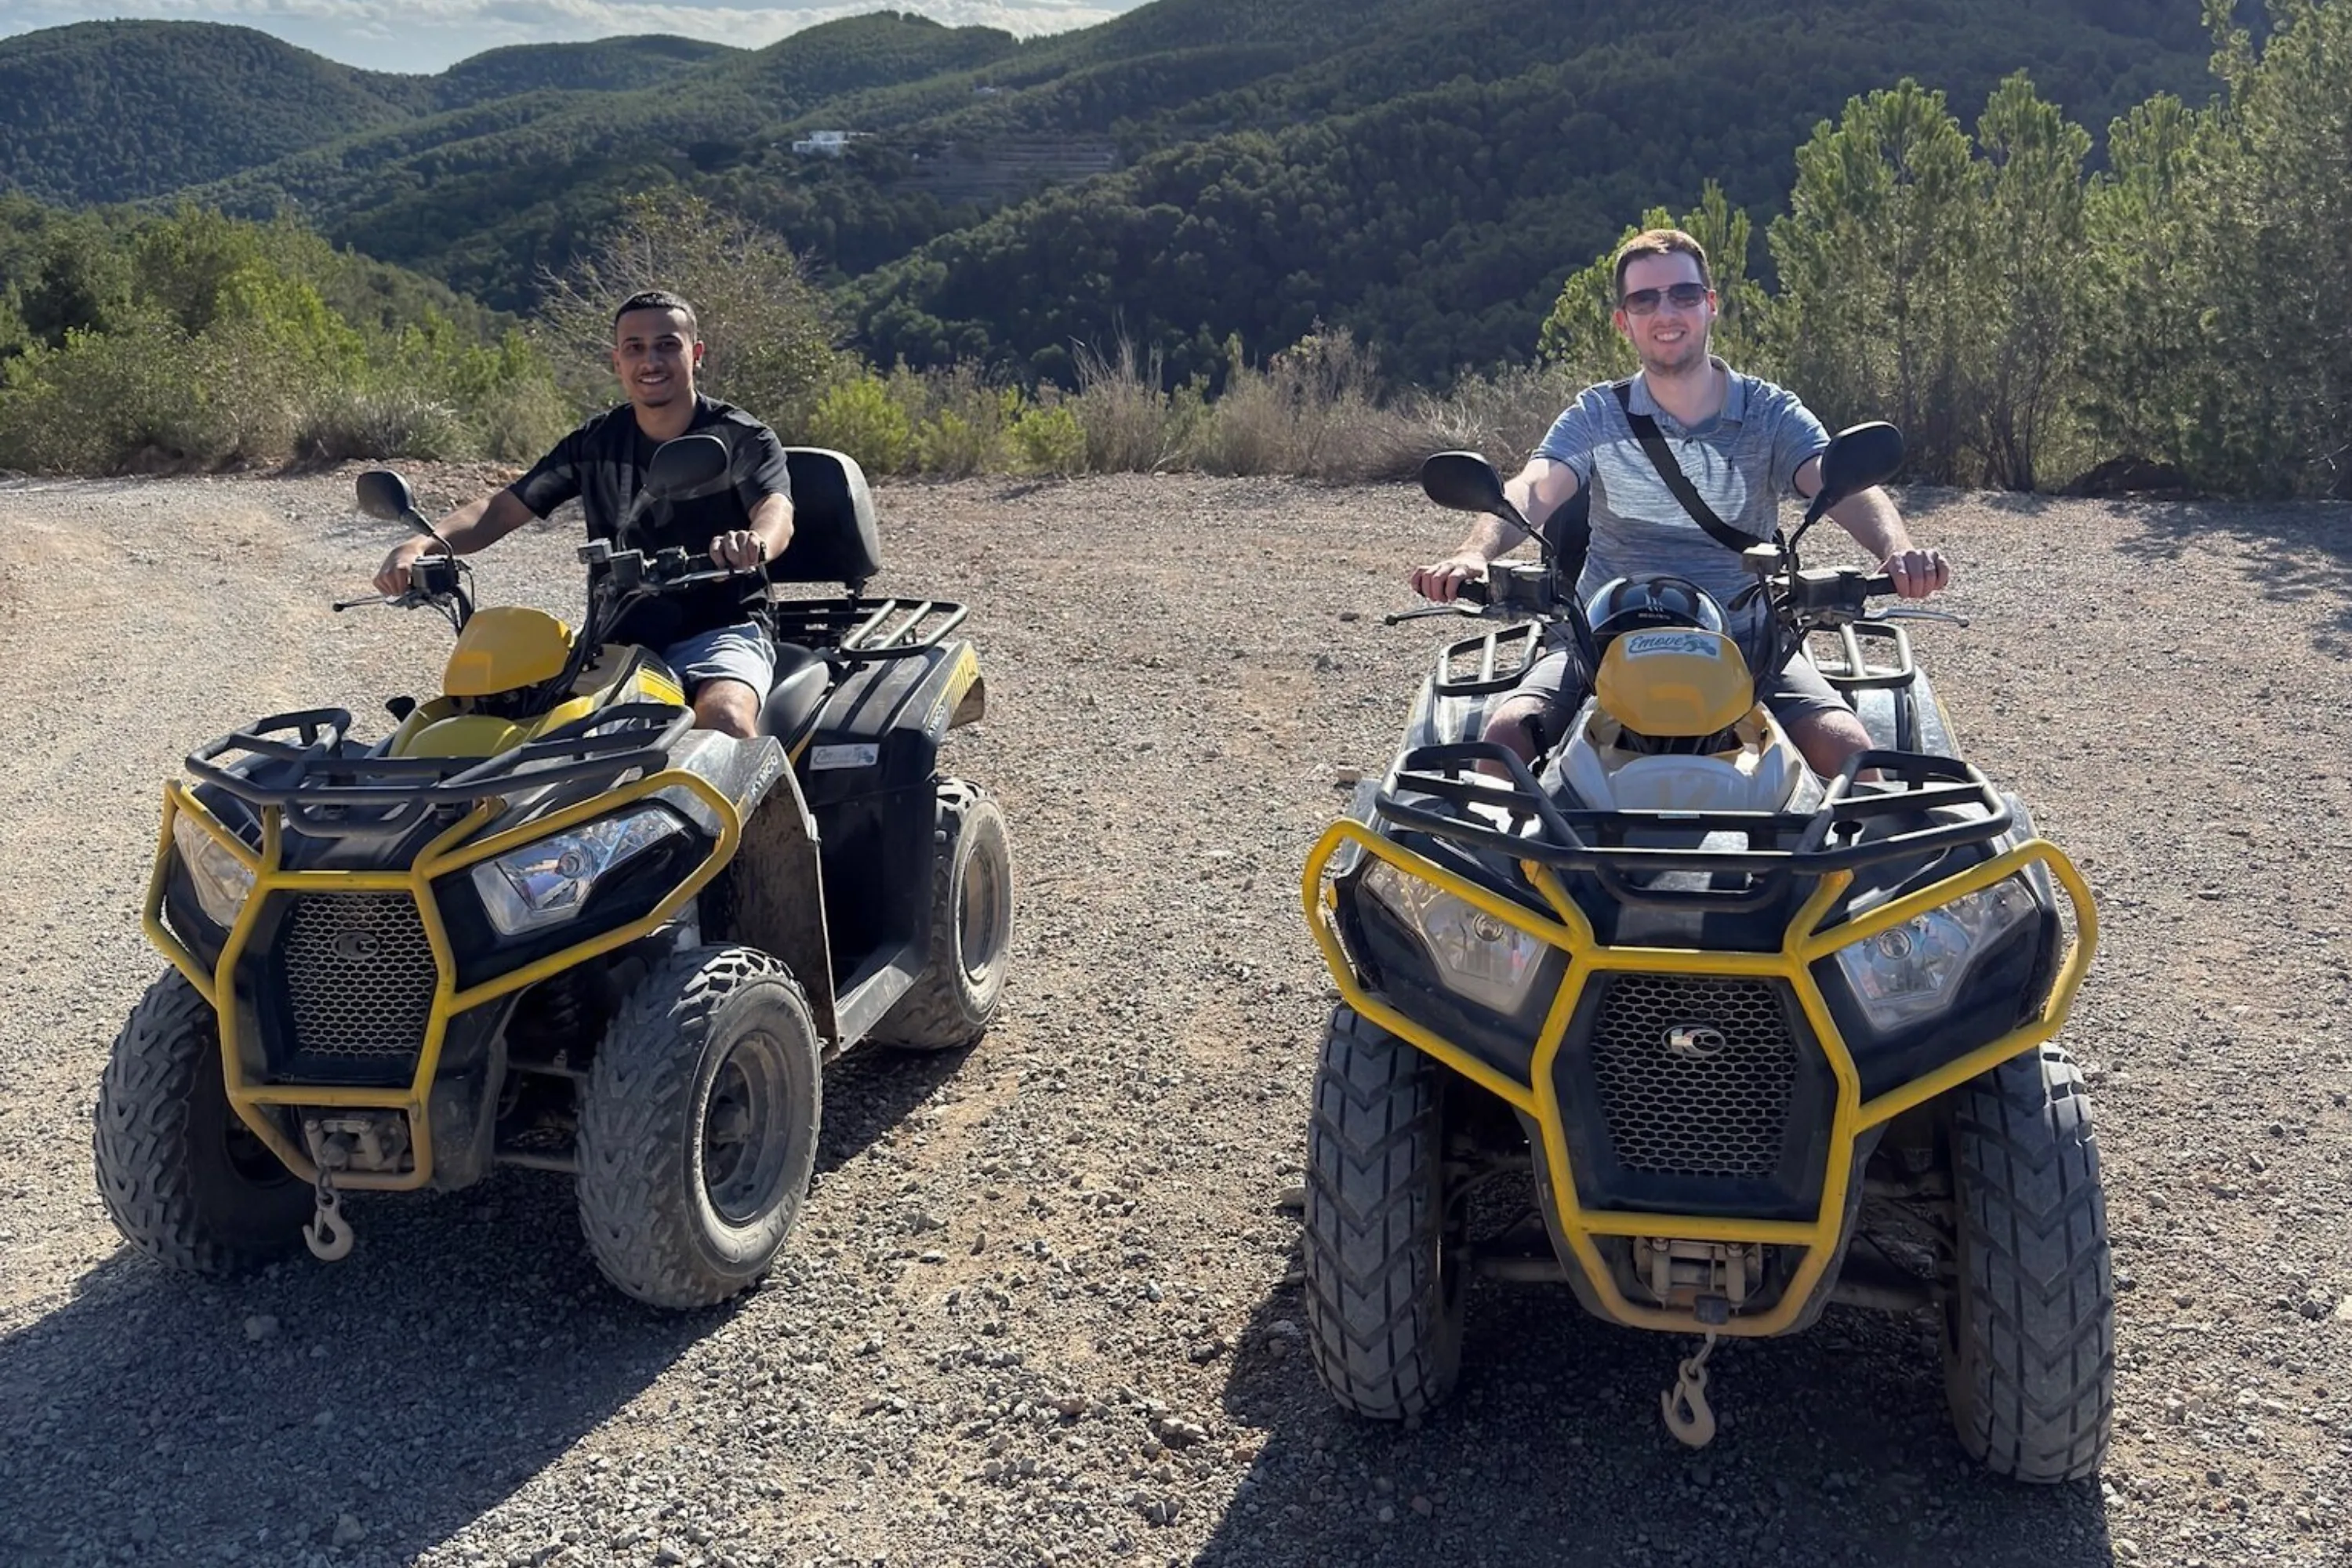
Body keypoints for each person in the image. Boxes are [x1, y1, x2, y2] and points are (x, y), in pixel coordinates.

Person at [1410, 228, 1951, 780]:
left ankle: (1845, 869)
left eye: (1684, 294)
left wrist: (1897, 549)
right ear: (1624, 321)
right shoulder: (1597, 414)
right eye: (1644, 299)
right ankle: (1510, 867)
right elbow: (1535, 487)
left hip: (1744, 643)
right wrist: (1474, 553)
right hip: (1602, 641)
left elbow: (1837, 482)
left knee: (1855, 758)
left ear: (1710, 305)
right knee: (1503, 743)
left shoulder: (1769, 413)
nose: (1665, 311)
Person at [374, 289, 793, 739]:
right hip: (619, 637)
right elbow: (501, 509)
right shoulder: (595, 443)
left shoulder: (741, 436)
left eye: (667, 345)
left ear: (696, 353)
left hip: (720, 627)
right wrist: (422, 543)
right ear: (617, 361)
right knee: (528, 732)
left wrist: (754, 542)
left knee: (724, 721)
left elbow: (775, 508)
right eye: (635, 348)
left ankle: (773, 811)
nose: (650, 360)